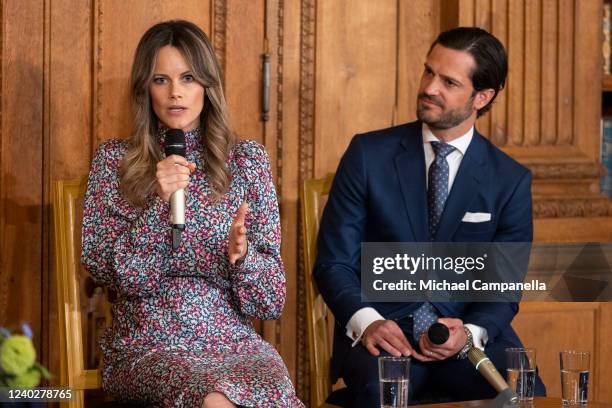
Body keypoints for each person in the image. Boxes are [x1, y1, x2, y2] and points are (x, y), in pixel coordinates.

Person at [314, 27, 546, 405]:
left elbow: (503, 287)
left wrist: (469, 332)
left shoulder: (509, 181)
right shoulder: (367, 155)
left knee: (528, 392)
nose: (429, 87)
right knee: (379, 392)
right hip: (385, 335)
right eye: (428, 72)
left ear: (481, 97)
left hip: (464, 339)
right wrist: (367, 321)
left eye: (448, 81)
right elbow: (333, 262)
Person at [81, 20, 303, 408]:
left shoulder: (246, 162)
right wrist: (158, 204)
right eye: (160, 80)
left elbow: (270, 302)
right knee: (215, 399)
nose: (175, 93)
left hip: (232, 342)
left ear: (207, 86)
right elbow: (113, 273)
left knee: (270, 392)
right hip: (147, 343)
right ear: (144, 88)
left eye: (188, 78)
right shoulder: (115, 162)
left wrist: (243, 258)